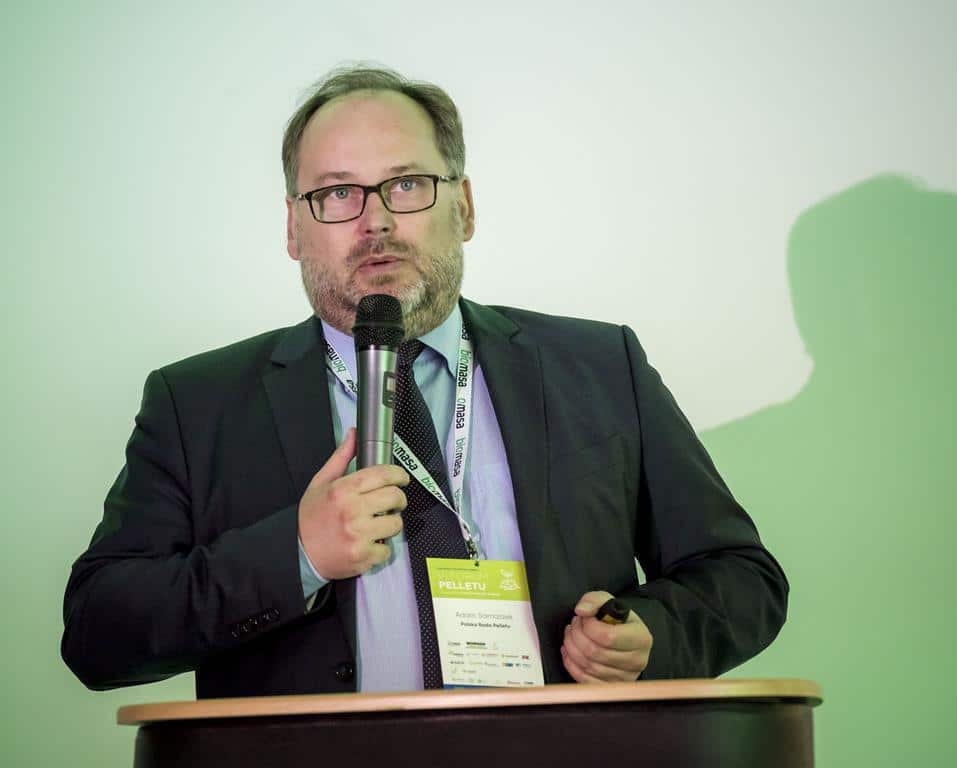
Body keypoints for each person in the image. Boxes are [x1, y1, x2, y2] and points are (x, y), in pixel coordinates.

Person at [61, 65, 788, 697]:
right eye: (337, 194)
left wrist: (650, 635)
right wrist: (297, 554)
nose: (375, 221)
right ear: (292, 228)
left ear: (463, 206)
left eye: (406, 184)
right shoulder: (198, 405)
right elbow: (98, 633)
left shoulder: (600, 367)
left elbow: (739, 575)